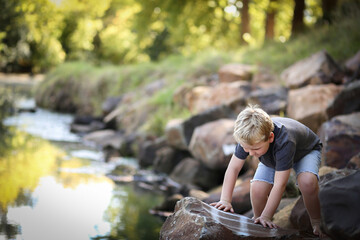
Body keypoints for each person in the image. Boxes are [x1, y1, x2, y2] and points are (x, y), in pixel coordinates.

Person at [210, 104, 325, 237]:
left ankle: (316, 222)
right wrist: (225, 200)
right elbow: (233, 168)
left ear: (270, 137)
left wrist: (267, 215)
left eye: (256, 149)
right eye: (247, 149)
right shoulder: (247, 137)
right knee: (258, 188)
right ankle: (259, 224)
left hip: (305, 151)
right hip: (272, 155)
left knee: (307, 182)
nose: (251, 154)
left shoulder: (285, 141)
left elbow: (279, 184)